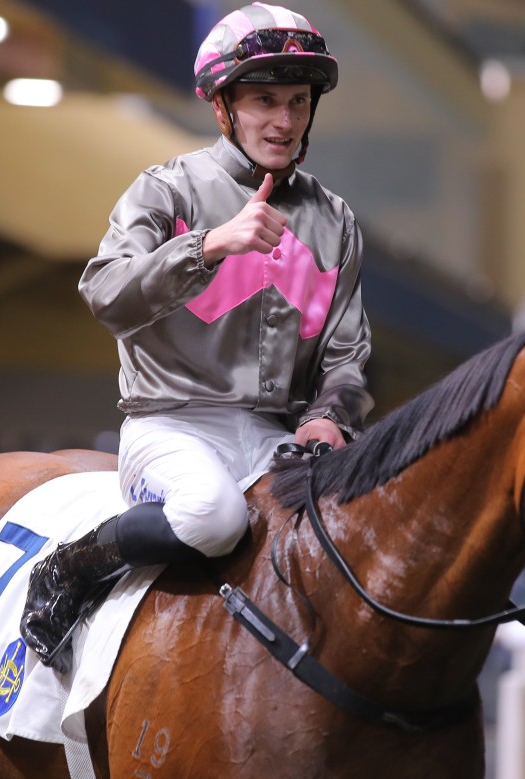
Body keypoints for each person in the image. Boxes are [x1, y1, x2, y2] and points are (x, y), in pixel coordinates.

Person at [20, 2, 373, 673]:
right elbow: (105, 294)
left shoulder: (335, 221)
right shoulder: (164, 190)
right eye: (264, 100)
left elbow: (346, 353)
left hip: (277, 435)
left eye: (298, 102)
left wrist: (330, 419)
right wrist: (210, 246)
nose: (284, 120)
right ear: (222, 107)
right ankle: (73, 565)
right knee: (214, 519)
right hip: (170, 428)